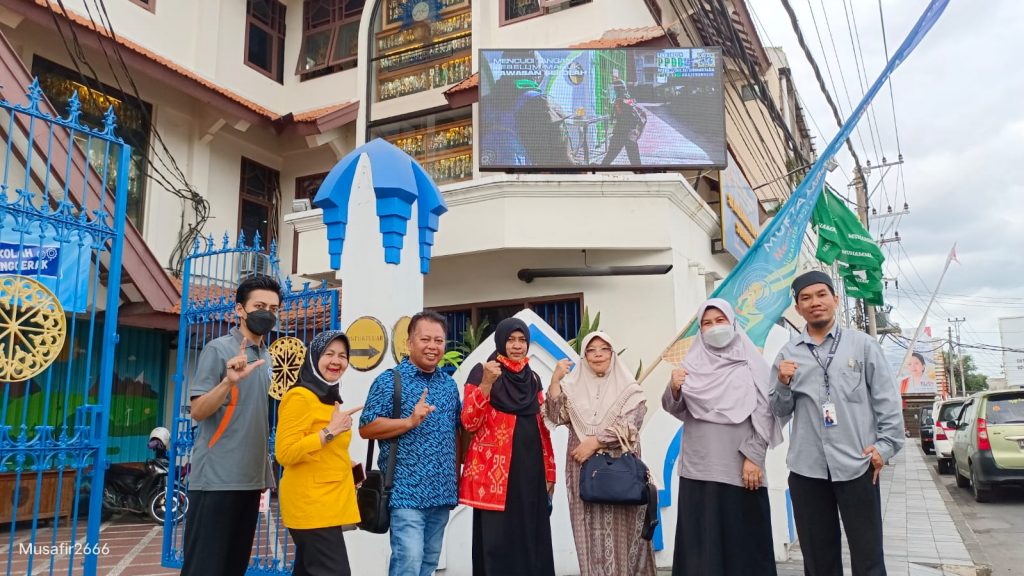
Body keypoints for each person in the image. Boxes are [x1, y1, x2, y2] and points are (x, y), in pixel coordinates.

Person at [769, 270, 904, 576]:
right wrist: (782, 383)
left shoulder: (863, 345)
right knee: (818, 560)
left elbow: (887, 400)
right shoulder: (788, 353)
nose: (814, 302)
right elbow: (778, 410)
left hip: (858, 463)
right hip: (807, 469)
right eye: (806, 298)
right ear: (798, 307)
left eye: (821, 295)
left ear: (835, 299)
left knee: (868, 556)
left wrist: (884, 448)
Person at [662, 298, 782, 576]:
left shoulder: (750, 363)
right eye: (706, 323)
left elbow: (767, 411)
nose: (714, 327)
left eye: (720, 321)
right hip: (699, 469)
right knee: (702, 548)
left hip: (741, 468)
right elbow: (675, 408)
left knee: (745, 547)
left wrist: (754, 456)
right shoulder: (691, 364)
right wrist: (674, 388)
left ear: (733, 323)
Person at [182, 274, 281, 576]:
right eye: (259, 306)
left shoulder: (267, 358)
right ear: (240, 309)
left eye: (274, 308)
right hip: (216, 480)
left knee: (234, 567)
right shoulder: (219, 349)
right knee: (205, 569)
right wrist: (228, 382)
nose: (267, 313)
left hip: (251, 480)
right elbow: (198, 410)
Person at [359, 311, 461, 576]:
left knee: (428, 564)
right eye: (425, 339)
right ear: (409, 342)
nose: (432, 346)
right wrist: (408, 422)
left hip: (442, 492)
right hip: (406, 492)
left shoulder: (449, 386)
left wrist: (457, 480)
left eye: (439, 340)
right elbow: (366, 428)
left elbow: (457, 433)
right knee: (409, 562)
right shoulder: (389, 381)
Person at [546, 331, 656, 576]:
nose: (598, 355)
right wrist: (555, 381)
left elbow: (632, 424)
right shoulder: (572, 388)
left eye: (604, 349)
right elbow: (555, 416)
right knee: (589, 533)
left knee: (624, 532)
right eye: (591, 350)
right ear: (584, 356)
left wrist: (595, 442)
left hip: (621, 473)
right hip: (584, 471)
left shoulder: (629, 390)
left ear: (612, 354)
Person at [460, 317, 556, 576]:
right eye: (511, 340)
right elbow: (469, 421)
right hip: (495, 475)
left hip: (530, 471)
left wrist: (550, 470)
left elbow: (542, 428)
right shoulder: (483, 372)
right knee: (497, 541)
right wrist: (486, 384)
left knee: (531, 535)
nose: (517, 345)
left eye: (522, 340)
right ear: (501, 341)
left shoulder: (532, 378)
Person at [275, 330, 363, 576]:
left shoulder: (326, 398)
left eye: (343, 356)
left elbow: (323, 450)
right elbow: (285, 452)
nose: (336, 361)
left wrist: (348, 466)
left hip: (327, 504)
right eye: (329, 354)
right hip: (311, 506)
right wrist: (329, 432)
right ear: (314, 358)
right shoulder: (299, 397)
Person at [601, 68, 646, 166]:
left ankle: (601, 168)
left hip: (625, 133)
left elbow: (632, 117)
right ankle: (601, 168)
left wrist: (633, 132)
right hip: (625, 132)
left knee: (630, 158)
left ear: (618, 90)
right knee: (631, 159)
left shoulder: (623, 101)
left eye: (614, 89)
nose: (612, 91)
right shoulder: (625, 99)